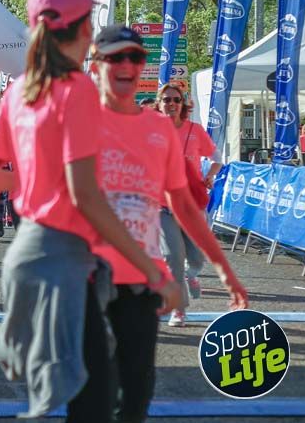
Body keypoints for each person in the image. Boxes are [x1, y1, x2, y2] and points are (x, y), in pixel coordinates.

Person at [0, 0, 180, 422]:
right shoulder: (77, 89)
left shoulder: (20, 91)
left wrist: (35, 188)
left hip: (28, 255)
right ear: (85, 29)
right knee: (94, 397)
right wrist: (152, 271)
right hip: (63, 258)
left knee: (86, 388)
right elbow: (85, 197)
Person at [90, 25, 247, 422]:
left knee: (138, 387)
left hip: (142, 280)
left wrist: (224, 270)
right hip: (87, 275)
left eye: (134, 58)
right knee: (93, 388)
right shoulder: (77, 122)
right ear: (96, 65)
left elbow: (185, 205)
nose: (126, 66)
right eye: (114, 57)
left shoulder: (158, 130)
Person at [156, 82, 222, 326]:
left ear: (182, 104)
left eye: (176, 100)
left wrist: (210, 175)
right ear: (159, 103)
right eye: (166, 100)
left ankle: (191, 274)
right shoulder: (150, 130)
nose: (171, 104)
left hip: (191, 205)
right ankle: (179, 310)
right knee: (172, 256)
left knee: (196, 258)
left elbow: (217, 157)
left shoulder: (195, 130)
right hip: (162, 206)